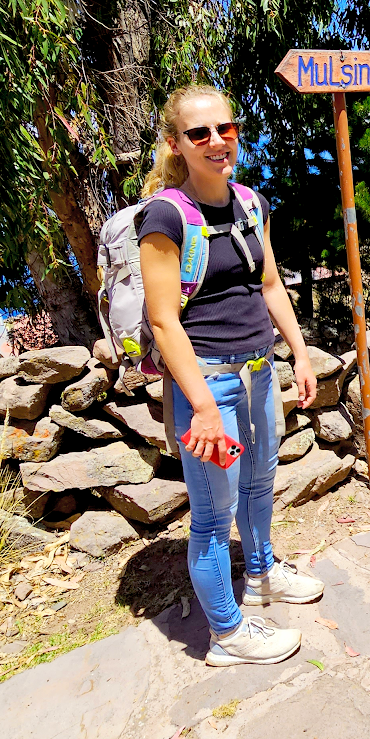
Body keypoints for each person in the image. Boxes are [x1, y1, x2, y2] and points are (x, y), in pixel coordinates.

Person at [139, 85, 324, 667]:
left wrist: (298, 350)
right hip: (209, 383)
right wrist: (202, 406)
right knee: (214, 514)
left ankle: (263, 572)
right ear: (177, 143)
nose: (217, 141)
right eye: (200, 134)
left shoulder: (249, 202)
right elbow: (164, 320)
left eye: (226, 128)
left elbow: (269, 284)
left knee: (260, 482)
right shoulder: (166, 215)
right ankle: (226, 632)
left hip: (258, 371)